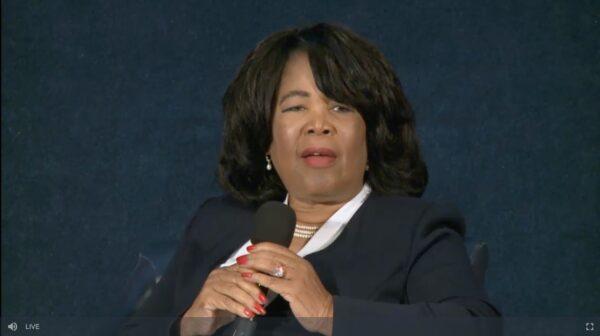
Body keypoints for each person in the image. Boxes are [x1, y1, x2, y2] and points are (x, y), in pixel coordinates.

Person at [119, 22, 501, 336]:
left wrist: (328, 311)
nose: (319, 125)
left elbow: (475, 327)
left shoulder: (415, 229)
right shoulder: (217, 222)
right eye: (296, 107)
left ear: (371, 135)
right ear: (265, 138)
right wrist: (188, 325)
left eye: (340, 107)